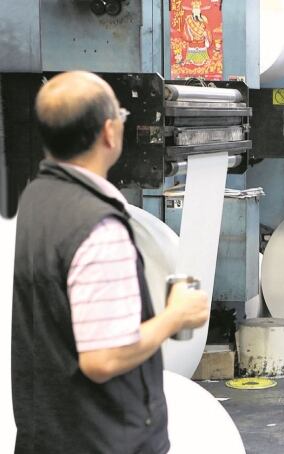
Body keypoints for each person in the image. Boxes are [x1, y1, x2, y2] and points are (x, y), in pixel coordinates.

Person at [11, 71, 210, 452]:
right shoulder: (98, 227)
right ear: (108, 132)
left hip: (51, 434)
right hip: (104, 438)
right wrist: (175, 316)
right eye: (120, 114)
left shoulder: (36, 200)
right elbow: (102, 358)